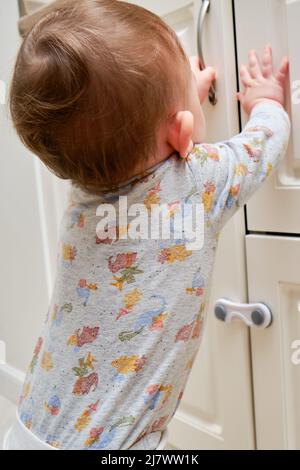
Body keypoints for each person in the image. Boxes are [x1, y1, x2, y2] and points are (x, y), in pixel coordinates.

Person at [6, 0, 290, 450]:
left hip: (30, 429)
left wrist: (174, 102)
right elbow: (259, 148)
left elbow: (120, 126)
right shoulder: (198, 181)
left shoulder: (82, 189)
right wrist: (267, 103)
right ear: (181, 132)